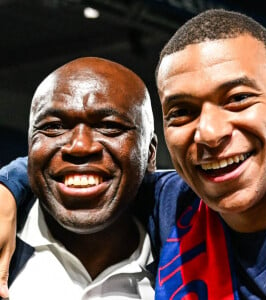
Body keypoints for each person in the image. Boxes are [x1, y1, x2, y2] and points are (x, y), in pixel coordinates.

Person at [0, 8, 266, 299]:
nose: (209, 132)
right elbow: (72, 167)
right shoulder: (175, 205)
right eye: (182, 112)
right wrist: (7, 190)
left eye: (238, 98)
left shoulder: (173, 208)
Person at [0, 56, 159, 299]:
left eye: (109, 125)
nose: (79, 147)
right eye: (54, 126)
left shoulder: (189, 259)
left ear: (150, 154)